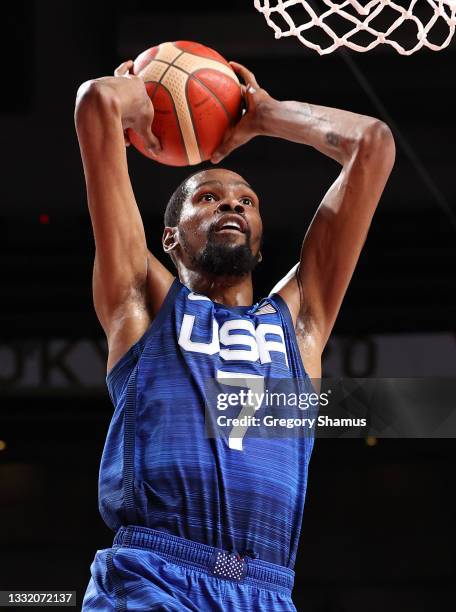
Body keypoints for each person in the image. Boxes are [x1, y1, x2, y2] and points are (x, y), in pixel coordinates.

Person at [75, 58, 395, 611]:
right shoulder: (143, 306)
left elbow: (372, 143)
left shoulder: (299, 325)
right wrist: (133, 93)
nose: (231, 203)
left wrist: (267, 115)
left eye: (247, 201)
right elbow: (96, 104)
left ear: (260, 241)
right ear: (170, 238)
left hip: (267, 589)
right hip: (155, 577)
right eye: (209, 197)